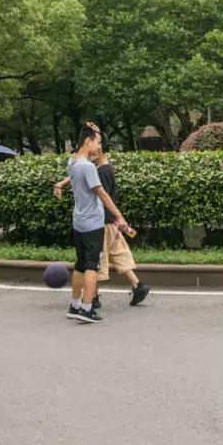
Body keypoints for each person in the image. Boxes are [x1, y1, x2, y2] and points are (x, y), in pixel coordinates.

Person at [54, 140, 149, 309]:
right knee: (119, 254)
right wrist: (62, 183)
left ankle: (93, 297)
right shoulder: (103, 168)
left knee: (97, 261)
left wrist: (117, 218)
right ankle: (138, 286)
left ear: (99, 150)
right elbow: (81, 171)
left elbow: (102, 196)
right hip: (111, 221)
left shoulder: (101, 172)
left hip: (102, 223)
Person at [64, 123, 129, 324]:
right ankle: (86, 308)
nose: (99, 147)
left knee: (80, 264)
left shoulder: (72, 162)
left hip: (79, 221)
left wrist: (96, 131)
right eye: (98, 142)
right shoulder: (88, 167)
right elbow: (102, 194)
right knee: (92, 265)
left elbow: (90, 151)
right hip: (93, 223)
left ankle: (74, 305)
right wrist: (120, 217)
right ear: (88, 141)